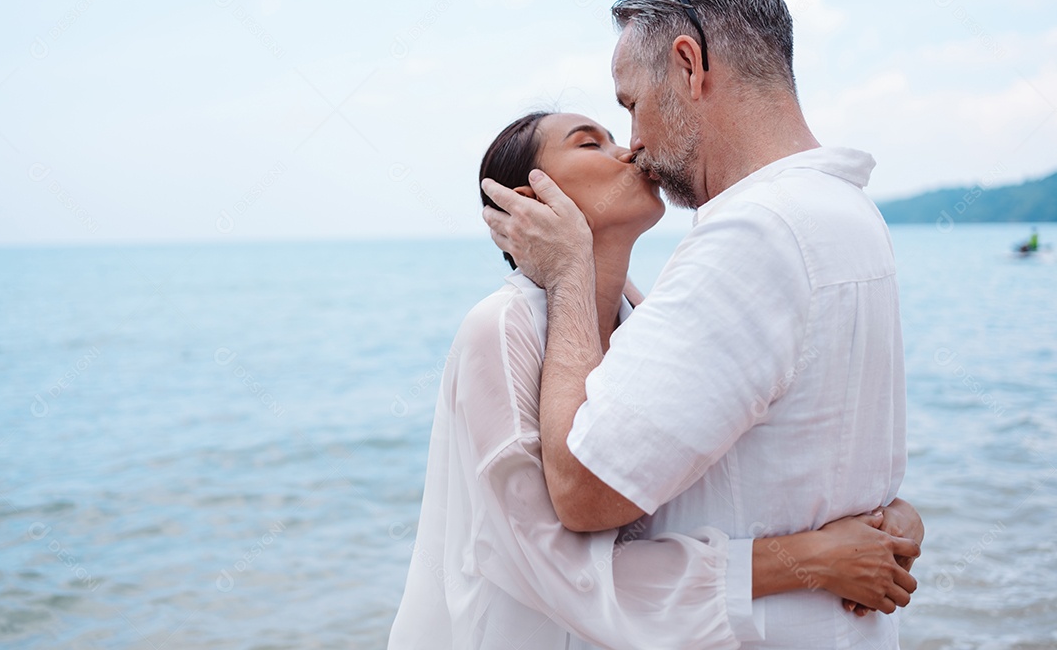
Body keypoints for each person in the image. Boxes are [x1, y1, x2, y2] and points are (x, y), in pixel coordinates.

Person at [482, 0, 916, 648]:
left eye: (630, 105)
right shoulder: (851, 215)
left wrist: (570, 276)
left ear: (689, 66)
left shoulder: (756, 232)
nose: (635, 144)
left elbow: (587, 489)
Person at [389, 110, 921, 650]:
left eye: (616, 135)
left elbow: (722, 473)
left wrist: (885, 516)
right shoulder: (501, 329)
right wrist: (809, 561)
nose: (630, 150)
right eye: (590, 143)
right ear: (530, 201)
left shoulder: (646, 319)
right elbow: (554, 567)